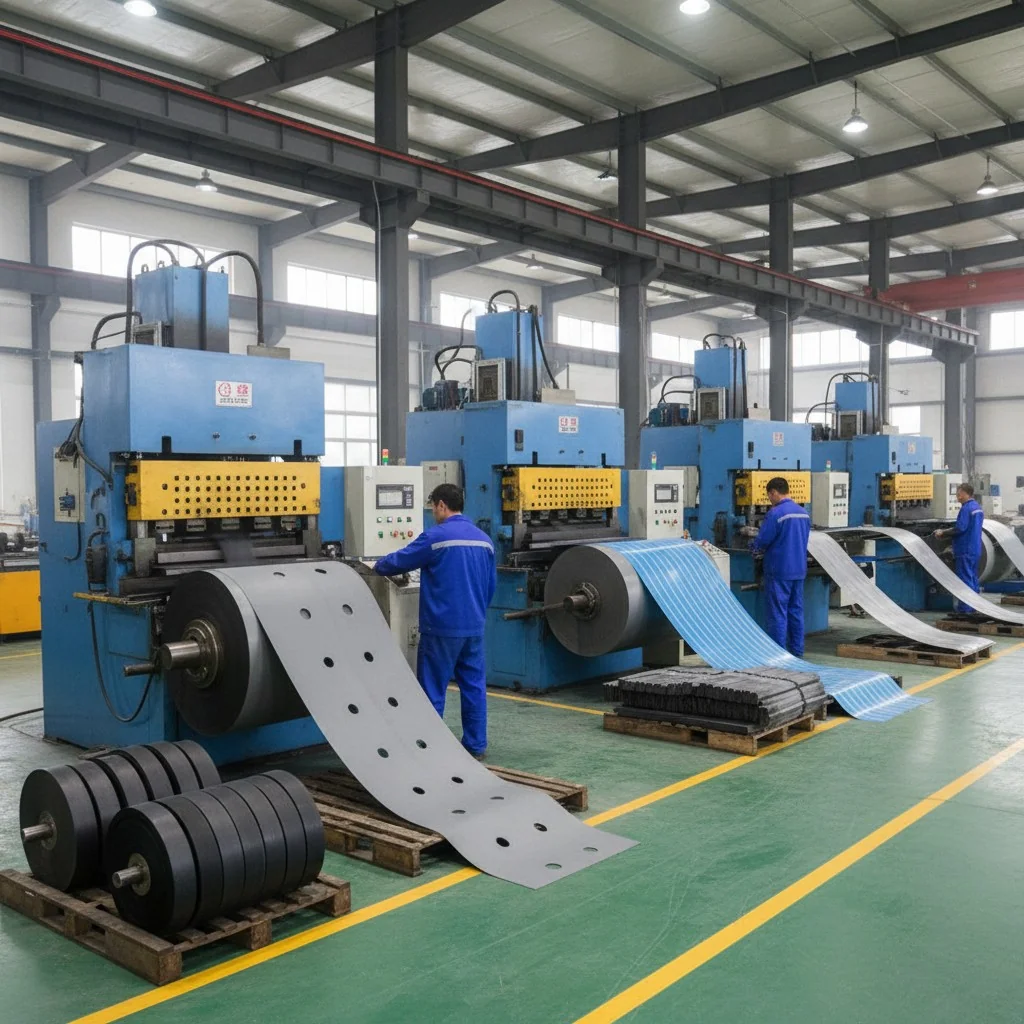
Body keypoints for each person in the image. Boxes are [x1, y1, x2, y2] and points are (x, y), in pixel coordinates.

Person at [374, 484, 497, 758]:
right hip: (474, 627)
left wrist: (376, 566)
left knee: (433, 687)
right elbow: (490, 587)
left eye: (432, 507)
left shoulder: (436, 537)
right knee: (474, 686)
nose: (432, 513)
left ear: (442, 505)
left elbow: (400, 561)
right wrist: (475, 614)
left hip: (441, 627)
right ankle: (476, 745)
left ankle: (429, 747)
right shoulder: (484, 540)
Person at [747, 477, 811, 657]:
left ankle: (778, 654)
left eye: (769, 496)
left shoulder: (776, 514)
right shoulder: (802, 513)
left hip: (779, 570)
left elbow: (763, 540)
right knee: (796, 611)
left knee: (778, 613)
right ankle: (797, 652)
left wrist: (752, 547)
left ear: (774, 492)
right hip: (799, 570)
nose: (769, 500)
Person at [936, 483, 984, 613]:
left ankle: (965, 609)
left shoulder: (966, 508)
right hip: (975, 548)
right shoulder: (977, 507)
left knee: (965, 579)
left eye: (958, 494)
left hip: (965, 549)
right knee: (973, 577)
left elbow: (960, 528)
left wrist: (943, 533)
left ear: (964, 493)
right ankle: (974, 605)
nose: (957, 497)